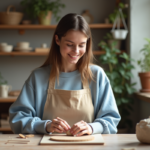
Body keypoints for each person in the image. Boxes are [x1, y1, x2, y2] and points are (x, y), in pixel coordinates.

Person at [9, 13, 120, 136]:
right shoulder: (37, 77)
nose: (76, 51)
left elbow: (111, 119)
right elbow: (17, 119)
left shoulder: (97, 76)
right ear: (57, 40)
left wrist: (92, 127)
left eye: (82, 45)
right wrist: (45, 125)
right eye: (69, 44)